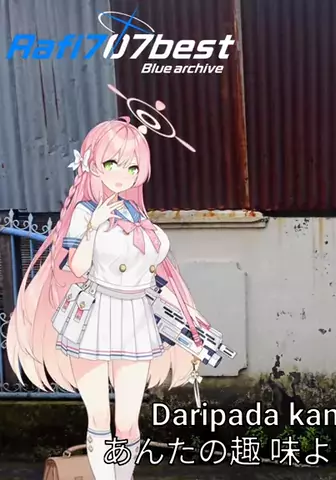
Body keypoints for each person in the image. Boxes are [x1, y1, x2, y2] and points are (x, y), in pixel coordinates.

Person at [6, 118, 206, 480]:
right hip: (94, 316)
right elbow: (77, 267)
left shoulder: (136, 215)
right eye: (112, 163)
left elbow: (153, 273)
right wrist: (94, 227)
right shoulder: (84, 212)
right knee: (99, 417)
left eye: (132, 167)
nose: (122, 175)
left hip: (136, 318)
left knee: (127, 422)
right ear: (93, 163)